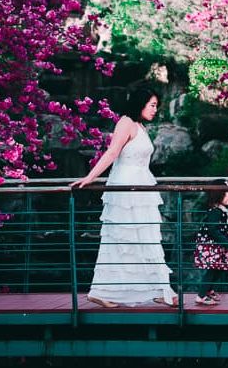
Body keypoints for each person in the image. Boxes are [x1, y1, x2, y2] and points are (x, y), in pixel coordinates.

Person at [72, 86, 177, 309]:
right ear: (140, 103)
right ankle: (101, 291)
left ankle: (157, 288)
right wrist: (90, 177)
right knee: (121, 239)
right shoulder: (125, 123)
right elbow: (112, 152)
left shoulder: (140, 126)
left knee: (145, 238)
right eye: (152, 105)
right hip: (126, 188)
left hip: (142, 187)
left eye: (156, 106)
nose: (155, 110)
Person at [193, 183, 228, 306]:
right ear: (219, 194)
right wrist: (225, 242)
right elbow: (212, 229)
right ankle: (201, 296)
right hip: (212, 245)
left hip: (217, 244)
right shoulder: (215, 211)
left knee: (219, 268)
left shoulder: (220, 210)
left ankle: (208, 290)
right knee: (212, 269)